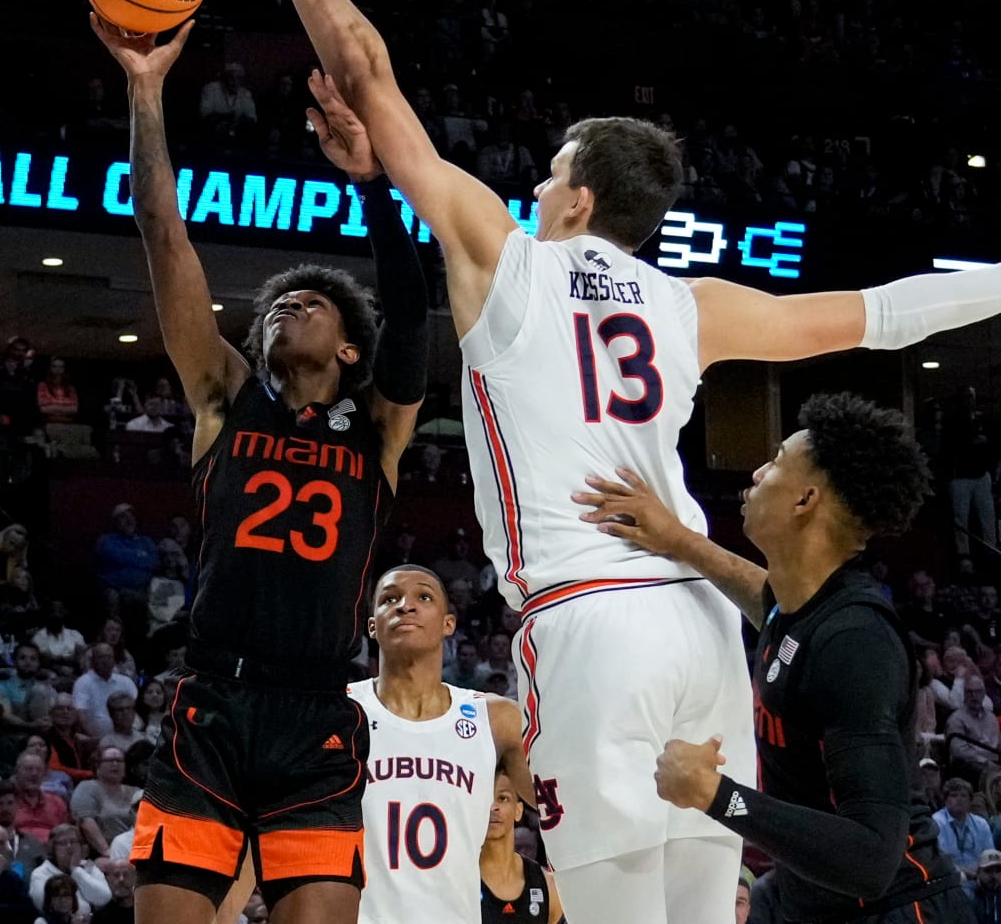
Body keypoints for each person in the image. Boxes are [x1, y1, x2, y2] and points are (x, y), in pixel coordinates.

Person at [259, 0, 1001, 923]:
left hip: (590, 622)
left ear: (581, 197)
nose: (535, 190)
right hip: (701, 623)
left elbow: (364, 70)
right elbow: (880, 312)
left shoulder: (507, 263)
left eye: (550, 174)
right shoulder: (695, 306)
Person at [90, 5, 427, 924]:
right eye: (279, 305)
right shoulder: (221, 401)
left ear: (350, 351)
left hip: (317, 713)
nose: (289, 310)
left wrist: (372, 187)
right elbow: (165, 235)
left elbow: (413, 312)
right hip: (212, 701)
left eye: (312, 304)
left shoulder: (377, 433)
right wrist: (147, 92)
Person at [574, 392, 973, 922]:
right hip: (815, 901)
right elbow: (765, 600)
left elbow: (872, 859)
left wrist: (717, 795)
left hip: (896, 907)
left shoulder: (854, 642)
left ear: (805, 501)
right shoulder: (804, 610)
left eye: (777, 462)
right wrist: (679, 539)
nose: (758, 472)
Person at [349, 566, 533, 924]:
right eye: (390, 599)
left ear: (449, 624)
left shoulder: (496, 718)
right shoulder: (341, 711)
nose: (406, 606)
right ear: (372, 626)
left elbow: (557, 806)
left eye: (424, 597)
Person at [479, 770, 564, 924]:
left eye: (503, 798)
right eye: (485, 799)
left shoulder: (547, 885)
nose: (493, 807)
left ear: (518, 811)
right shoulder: (461, 881)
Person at [974, 849, 1001, 922]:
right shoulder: (969, 897)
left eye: (998, 871)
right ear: (978, 872)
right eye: (988, 870)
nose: (993, 875)